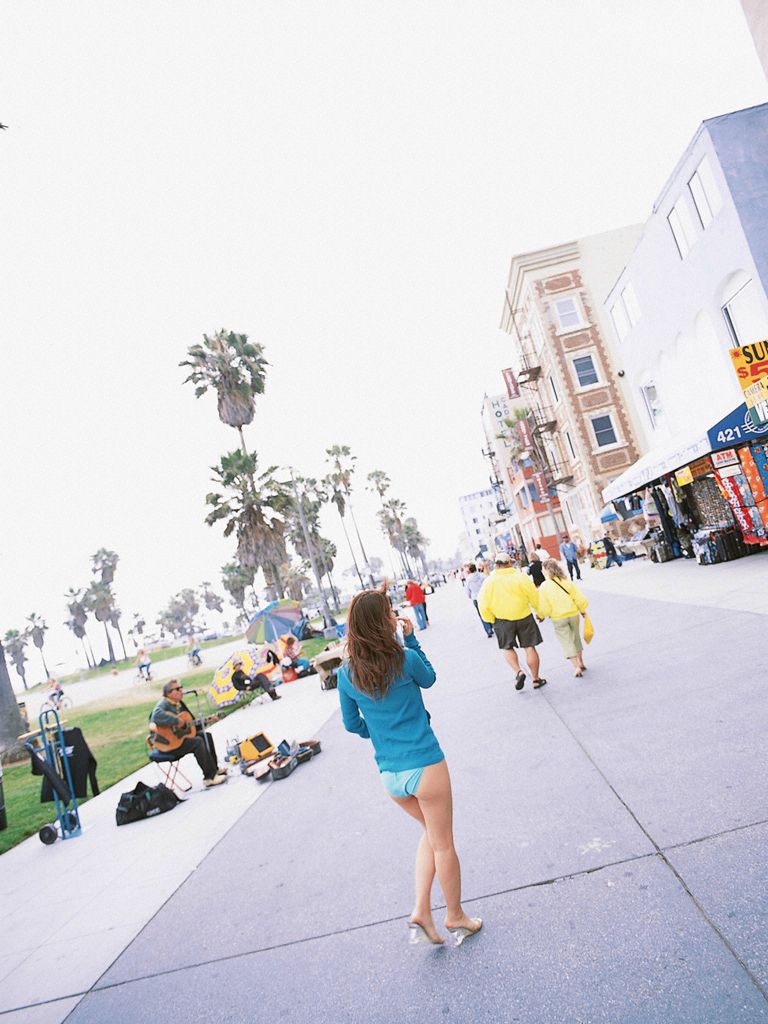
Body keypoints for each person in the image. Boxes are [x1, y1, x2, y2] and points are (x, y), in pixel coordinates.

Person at [337, 590, 482, 947]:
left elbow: (351, 725)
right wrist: (412, 635)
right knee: (444, 844)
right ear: (382, 620)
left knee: (430, 836)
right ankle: (455, 915)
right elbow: (430, 678)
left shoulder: (346, 672)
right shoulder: (403, 657)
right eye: (389, 611)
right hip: (424, 763)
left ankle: (421, 909)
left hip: (391, 775)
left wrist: (382, 734)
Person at [477, 551, 547, 691]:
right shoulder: (520, 577)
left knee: (507, 648)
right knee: (529, 647)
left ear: (495, 565)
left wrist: (490, 620)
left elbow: (482, 604)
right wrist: (540, 613)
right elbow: (534, 596)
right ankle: (536, 679)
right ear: (509, 563)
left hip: (502, 620)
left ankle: (518, 672)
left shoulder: (489, 581)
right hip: (524, 616)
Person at [150, 680, 227, 787]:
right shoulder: (164, 703)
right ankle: (209, 777)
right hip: (168, 744)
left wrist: (208, 721)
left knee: (206, 736)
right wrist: (176, 721)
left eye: (181, 687)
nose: (181, 690)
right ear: (169, 693)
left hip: (179, 739)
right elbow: (156, 716)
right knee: (197, 742)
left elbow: (192, 725)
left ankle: (214, 769)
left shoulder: (179, 704)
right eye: (177, 689)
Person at [537, 560, 589, 677]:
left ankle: (576, 667)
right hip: (573, 614)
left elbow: (544, 606)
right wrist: (582, 610)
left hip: (558, 617)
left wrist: (541, 615)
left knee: (566, 641)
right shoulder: (565, 581)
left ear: (546, 570)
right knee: (576, 638)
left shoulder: (544, 586)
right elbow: (578, 597)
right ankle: (581, 662)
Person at [464, 564, 494, 637]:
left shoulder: (468, 579)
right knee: (490, 611)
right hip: (485, 596)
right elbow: (489, 584)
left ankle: (488, 629)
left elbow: (467, 591)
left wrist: (470, 596)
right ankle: (493, 625)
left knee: (481, 614)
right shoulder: (482, 575)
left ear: (470, 570)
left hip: (476, 598)